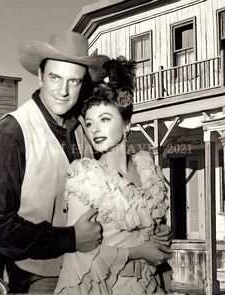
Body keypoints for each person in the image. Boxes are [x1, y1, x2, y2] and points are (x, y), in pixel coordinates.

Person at [0, 30, 109, 293]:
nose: (63, 91)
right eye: (55, 77)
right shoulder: (12, 131)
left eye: (74, 81)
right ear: (41, 76)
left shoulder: (82, 130)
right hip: (33, 280)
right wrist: (71, 239)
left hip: (86, 271)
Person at [55, 56, 173, 295]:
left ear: (127, 125)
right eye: (89, 123)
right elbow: (80, 258)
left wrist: (161, 233)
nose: (95, 129)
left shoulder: (147, 169)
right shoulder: (87, 179)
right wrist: (138, 252)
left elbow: (151, 227)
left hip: (150, 286)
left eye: (105, 119)